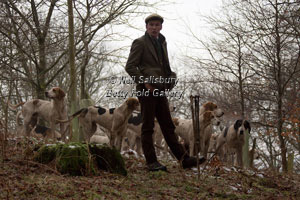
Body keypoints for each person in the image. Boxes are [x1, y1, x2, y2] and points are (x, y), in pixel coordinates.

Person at [125, 14, 205, 171]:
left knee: (168, 126)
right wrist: (145, 83)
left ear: (161, 26)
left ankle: (184, 159)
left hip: (161, 89)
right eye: (151, 25)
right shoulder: (140, 43)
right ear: (146, 27)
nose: (154, 27)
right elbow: (130, 66)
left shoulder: (162, 42)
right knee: (148, 126)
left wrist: (171, 78)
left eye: (157, 25)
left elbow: (164, 67)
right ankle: (151, 162)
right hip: (147, 91)